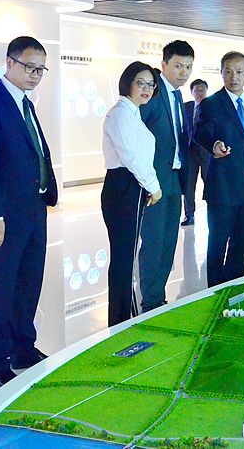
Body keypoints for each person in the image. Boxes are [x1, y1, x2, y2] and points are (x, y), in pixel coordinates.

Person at [0, 36, 58, 387]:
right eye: (29, 67)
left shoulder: (25, 103)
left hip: (33, 208)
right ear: (9, 63)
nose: (35, 75)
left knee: (29, 281)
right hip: (4, 215)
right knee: (1, 286)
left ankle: (23, 347)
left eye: (41, 69)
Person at [195, 52, 244, 287]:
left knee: (242, 241)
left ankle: (235, 287)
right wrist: (214, 144)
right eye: (228, 72)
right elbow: (201, 132)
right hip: (223, 186)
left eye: (239, 72)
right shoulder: (212, 103)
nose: (234, 77)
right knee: (217, 243)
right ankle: (215, 291)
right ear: (221, 73)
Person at [102, 62, 163, 326]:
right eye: (141, 82)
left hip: (131, 186)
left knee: (126, 256)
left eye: (151, 84)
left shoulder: (132, 113)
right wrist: (154, 186)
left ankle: (125, 317)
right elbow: (131, 156)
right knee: (123, 257)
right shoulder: (121, 114)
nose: (146, 88)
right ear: (128, 82)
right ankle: (120, 321)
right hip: (123, 186)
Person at [138, 40, 192, 312]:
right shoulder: (152, 93)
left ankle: (158, 296)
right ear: (164, 65)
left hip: (174, 177)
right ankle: (150, 300)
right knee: (154, 241)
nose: (184, 72)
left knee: (169, 240)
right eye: (178, 66)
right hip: (153, 181)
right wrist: (147, 180)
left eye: (188, 67)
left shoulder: (177, 95)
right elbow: (137, 134)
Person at [182, 78, 210, 226]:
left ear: (206, 91)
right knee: (188, 185)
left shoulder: (212, 108)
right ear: (191, 92)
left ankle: (213, 212)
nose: (199, 93)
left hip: (207, 152)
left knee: (210, 183)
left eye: (202, 90)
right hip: (189, 152)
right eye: (196, 90)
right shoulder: (185, 107)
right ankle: (189, 215)